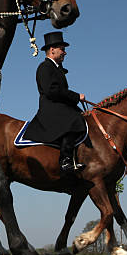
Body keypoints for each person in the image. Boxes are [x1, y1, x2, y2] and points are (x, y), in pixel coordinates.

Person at [22, 32, 87, 172]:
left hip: (59, 105)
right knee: (74, 120)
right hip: (50, 107)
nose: (65, 53)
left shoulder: (57, 69)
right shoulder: (44, 67)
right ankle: (65, 160)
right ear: (52, 50)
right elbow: (51, 91)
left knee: (82, 116)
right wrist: (76, 97)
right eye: (62, 49)